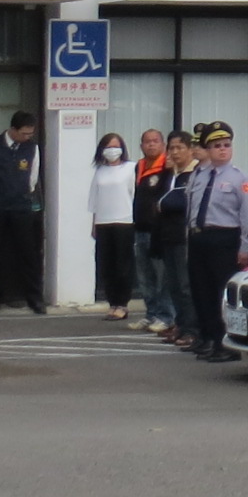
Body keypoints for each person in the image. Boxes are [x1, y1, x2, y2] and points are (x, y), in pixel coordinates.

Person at [183, 124, 248, 361]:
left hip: (224, 238)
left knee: (222, 293)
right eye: (216, 146)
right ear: (208, 150)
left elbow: (246, 216)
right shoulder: (199, 175)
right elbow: (191, 210)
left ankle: (228, 345)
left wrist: (244, 247)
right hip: (199, 237)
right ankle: (210, 338)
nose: (222, 150)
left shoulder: (240, 178)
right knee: (202, 291)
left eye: (226, 145)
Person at [0, 111, 46, 316]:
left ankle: (35, 298)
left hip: (21, 207)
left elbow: (32, 179)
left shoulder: (32, 148)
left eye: (30, 133)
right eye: (25, 133)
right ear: (13, 130)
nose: (28, 137)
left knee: (29, 253)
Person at [135, 130, 190, 340]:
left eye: (155, 141)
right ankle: (152, 313)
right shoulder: (139, 166)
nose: (151, 145)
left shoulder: (170, 170)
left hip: (170, 232)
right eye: (146, 141)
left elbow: (173, 200)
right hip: (145, 228)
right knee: (146, 277)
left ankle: (168, 317)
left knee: (168, 279)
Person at [88, 131, 137, 319]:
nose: (112, 150)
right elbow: (94, 199)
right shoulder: (99, 171)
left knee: (123, 265)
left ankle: (122, 304)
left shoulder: (131, 168)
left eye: (115, 146)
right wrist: (93, 223)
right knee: (106, 265)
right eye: (108, 147)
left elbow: (134, 195)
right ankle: (112, 302)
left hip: (124, 221)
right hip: (103, 222)